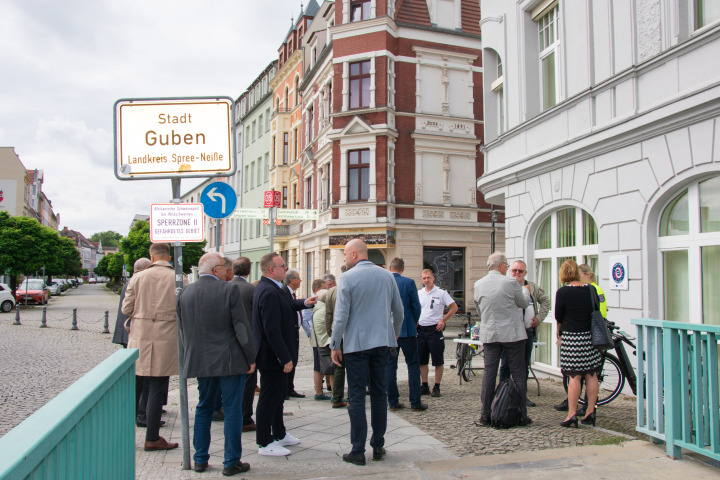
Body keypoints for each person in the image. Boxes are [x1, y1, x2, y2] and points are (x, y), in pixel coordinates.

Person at [177, 253, 256, 475]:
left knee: (203, 408)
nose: (227, 271)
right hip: (229, 360)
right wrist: (250, 357)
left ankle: (200, 459)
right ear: (215, 271)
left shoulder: (185, 292)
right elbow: (241, 327)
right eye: (223, 267)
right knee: (232, 411)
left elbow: (183, 329)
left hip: (200, 360)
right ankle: (231, 462)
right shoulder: (228, 289)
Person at [330, 239, 404, 466]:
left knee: (357, 395)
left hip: (356, 346)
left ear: (353, 254)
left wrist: (334, 344)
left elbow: (341, 316)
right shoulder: (387, 276)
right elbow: (398, 311)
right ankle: (379, 445)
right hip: (382, 343)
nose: (344, 258)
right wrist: (394, 334)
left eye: (344, 254)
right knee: (380, 395)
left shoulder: (348, 278)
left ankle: (358, 450)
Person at [253, 253, 316, 456]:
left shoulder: (274, 288)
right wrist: (284, 357)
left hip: (277, 355)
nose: (285, 268)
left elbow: (288, 306)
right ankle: (264, 441)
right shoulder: (268, 291)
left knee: (278, 397)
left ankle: (279, 434)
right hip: (272, 357)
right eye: (282, 266)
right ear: (272, 269)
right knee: (269, 398)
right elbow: (271, 329)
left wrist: (305, 303)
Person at [122, 243, 180, 451]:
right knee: (157, 386)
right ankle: (152, 436)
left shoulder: (138, 277)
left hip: (140, 335)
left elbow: (126, 308)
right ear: (168, 257)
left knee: (136, 385)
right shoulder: (178, 277)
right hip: (166, 336)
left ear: (152, 257)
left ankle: (124, 435)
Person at [473, 251, 531, 427]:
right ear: (500, 265)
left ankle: (485, 414)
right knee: (519, 374)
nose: (507, 267)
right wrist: (526, 292)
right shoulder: (511, 282)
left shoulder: (478, 284)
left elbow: (479, 310)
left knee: (489, 374)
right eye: (506, 264)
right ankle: (521, 414)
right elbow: (523, 303)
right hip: (512, 334)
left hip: (490, 333)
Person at [555, 259, 603, 428]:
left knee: (574, 376)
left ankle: (572, 414)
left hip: (572, 338)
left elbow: (558, 316)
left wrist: (558, 330)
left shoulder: (562, 292)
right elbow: (596, 310)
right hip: (590, 338)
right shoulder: (590, 290)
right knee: (592, 374)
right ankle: (590, 412)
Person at [498, 260, 551, 407]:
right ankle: (502, 395)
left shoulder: (532, 287)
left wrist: (539, 318)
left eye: (520, 271)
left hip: (527, 331)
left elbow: (546, 301)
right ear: (510, 271)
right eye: (514, 270)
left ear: (525, 273)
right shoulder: (504, 285)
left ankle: (521, 395)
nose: (516, 273)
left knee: (524, 364)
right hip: (508, 332)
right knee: (506, 364)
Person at [112, 258, 153, 427]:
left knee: (139, 377)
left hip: (129, 333)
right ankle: (140, 413)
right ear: (143, 269)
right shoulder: (136, 282)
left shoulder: (132, 281)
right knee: (140, 377)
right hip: (132, 333)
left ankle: (140, 410)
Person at [386, 258, 426, 411]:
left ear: (390, 267)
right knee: (413, 365)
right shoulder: (409, 283)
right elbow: (416, 307)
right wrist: (414, 322)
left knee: (390, 367)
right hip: (407, 329)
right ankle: (415, 402)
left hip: (390, 332)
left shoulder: (385, 282)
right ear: (402, 269)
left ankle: (393, 402)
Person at [417, 269, 457, 398]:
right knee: (422, 360)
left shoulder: (441, 293)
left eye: (428, 278)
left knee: (438, 360)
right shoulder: (419, 293)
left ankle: (437, 386)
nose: (426, 280)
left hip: (435, 330)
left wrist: (443, 320)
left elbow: (454, 307)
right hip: (421, 331)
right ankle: (424, 385)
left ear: (433, 278)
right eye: (424, 278)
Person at [229, 257, 259, 433]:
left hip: (229, 339)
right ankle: (245, 417)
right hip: (248, 339)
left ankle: (232, 413)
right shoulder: (250, 289)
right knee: (249, 381)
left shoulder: (226, 287)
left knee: (232, 381)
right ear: (248, 271)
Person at [112, 257, 151, 348]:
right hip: (130, 330)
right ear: (145, 269)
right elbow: (128, 309)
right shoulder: (136, 282)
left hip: (127, 330)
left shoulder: (133, 281)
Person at [325, 266, 348, 408]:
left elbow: (328, 314)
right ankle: (352, 398)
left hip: (336, 333)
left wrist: (330, 333)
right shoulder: (351, 289)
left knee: (339, 366)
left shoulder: (332, 291)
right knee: (353, 366)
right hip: (350, 333)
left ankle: (337, 397)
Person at [283, 268, 306, 399]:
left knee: (294, 358)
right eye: (298, 278)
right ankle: (285, 388)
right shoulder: (284, 292)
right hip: (288, 332)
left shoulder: (291, 293)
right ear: (292, 280)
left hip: (294, 330)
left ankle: (290, 387)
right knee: (289, 359)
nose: (300, 280)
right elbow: (290, 305)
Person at [310, 287, 333, 400]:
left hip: (317, 342)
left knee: (318, 368)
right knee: (333, 369)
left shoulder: (316, 309)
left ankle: (318, 392)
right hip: (325, 342)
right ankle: (335, 394)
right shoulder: (325, 310)